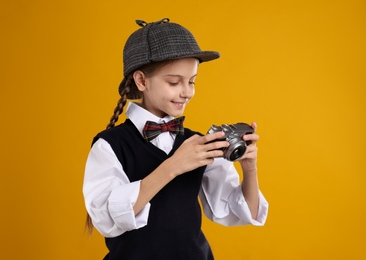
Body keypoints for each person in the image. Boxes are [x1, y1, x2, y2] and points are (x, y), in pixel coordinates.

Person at [83, 18, 268, 260]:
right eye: (174, 82)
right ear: (141, 80)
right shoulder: (110, 145)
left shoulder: (199, 144)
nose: (187, 91)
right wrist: (172, 166)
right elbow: (106, 219)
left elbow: (241, 213)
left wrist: (249, 169)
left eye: (192, 81)